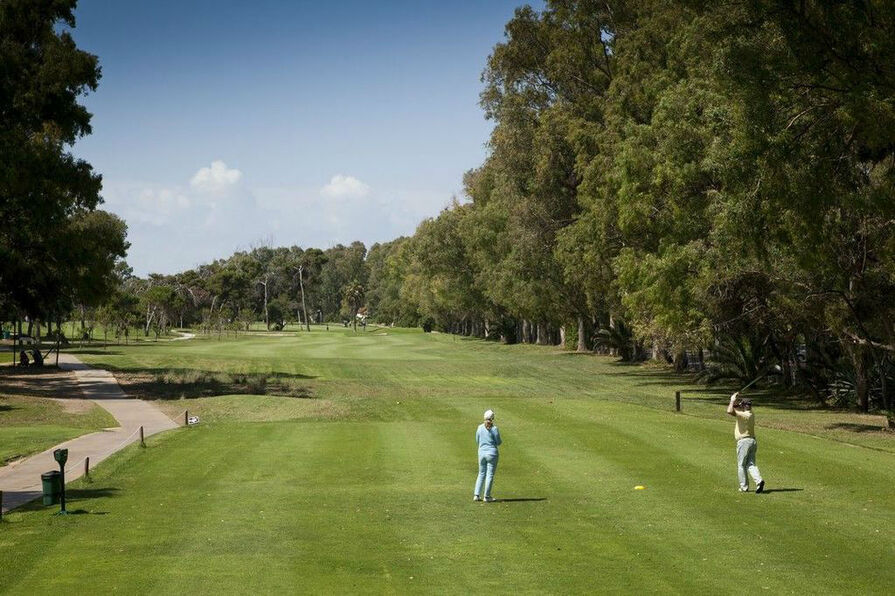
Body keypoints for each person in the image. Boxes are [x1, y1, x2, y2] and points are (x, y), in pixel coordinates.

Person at [727, 392, 765, 493]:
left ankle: (744, 487)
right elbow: (736, 407)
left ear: (743, 406)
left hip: (744, 442)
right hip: (753, 441)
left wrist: (732, 400)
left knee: (741, 465)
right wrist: (737, 402)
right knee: (751, 464)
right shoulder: (751, 413)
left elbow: (729, 411)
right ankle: (759, 481)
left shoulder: (743, 415)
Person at [474, 409, 502, 502]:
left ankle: (476, 495)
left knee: (481, 473)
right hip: (492, 454)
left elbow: (477, 440)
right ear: (492, 418)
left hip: (481, 453)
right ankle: (487, 496)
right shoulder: (494, 429)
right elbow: (498, 442)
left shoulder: (479, 427)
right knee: (489, 474)